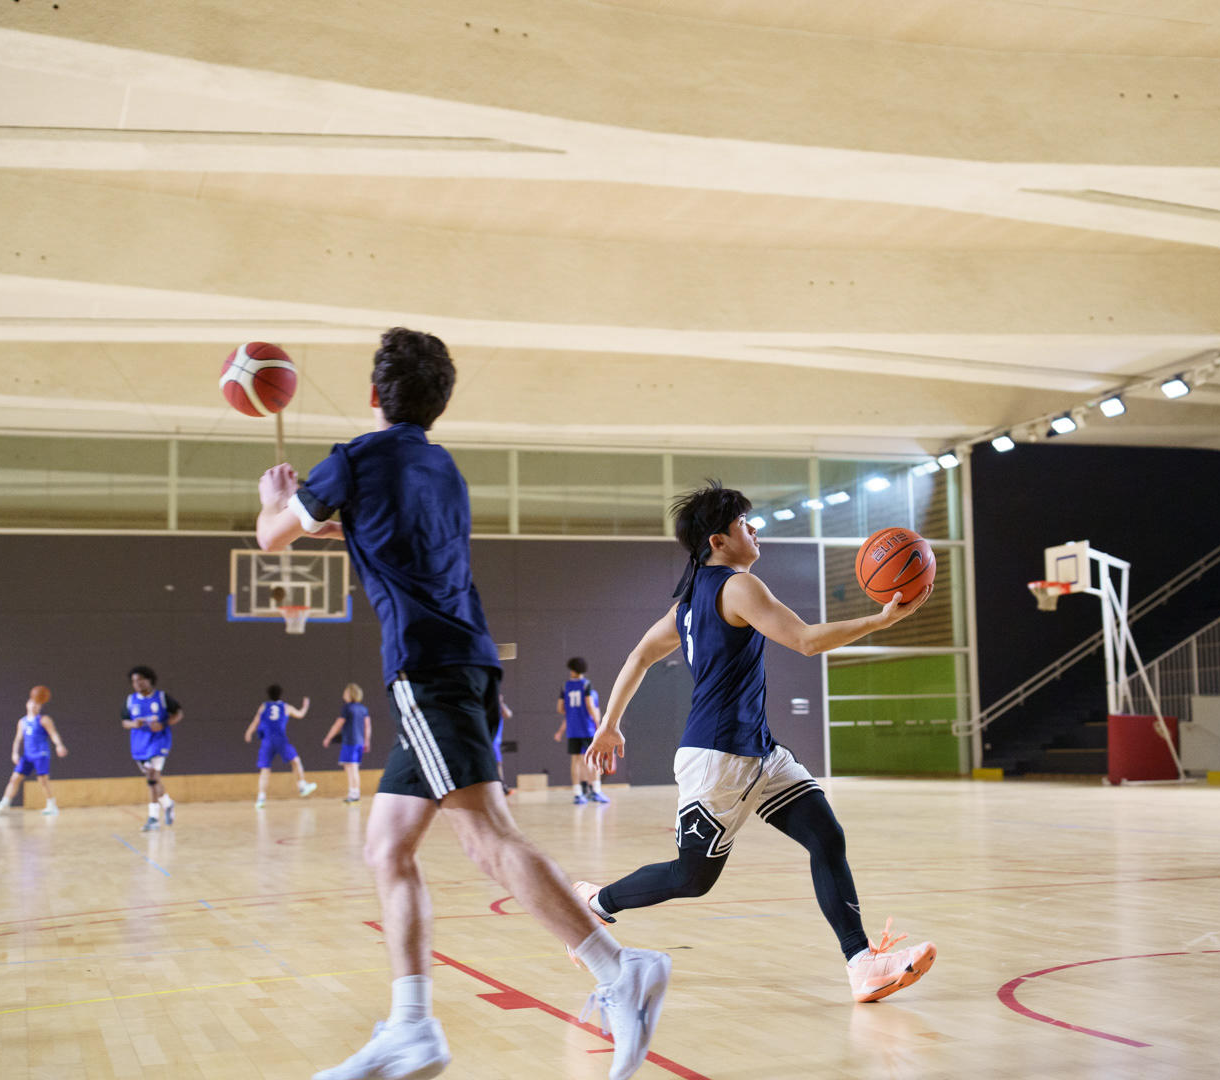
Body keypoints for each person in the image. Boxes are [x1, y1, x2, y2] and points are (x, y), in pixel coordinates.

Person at [257, 327, 669, 1080]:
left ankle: (619, 967)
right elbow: (373, 529)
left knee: (486, 837)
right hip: (465, 662)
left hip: (427, 668)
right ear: (437, 404)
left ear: (374, 394)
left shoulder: (353, 459)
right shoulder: (443, 469)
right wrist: (321, 512)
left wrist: (276, 499)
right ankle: (411, 1027)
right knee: (387, 847)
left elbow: (272, 538)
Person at [578, 482, 939, 1004]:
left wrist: (610, 722)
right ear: (718, 541)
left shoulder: (688, 605)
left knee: (826, 836)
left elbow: (639, 656)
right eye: (745, 523)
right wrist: (882, 620)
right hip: (719, 756)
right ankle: (593, 903)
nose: (754, 530)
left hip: (760, 752)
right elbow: (806, 641)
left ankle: (862, 963)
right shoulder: (738, 587)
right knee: (692, 878)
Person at [0, 686, 67, 816]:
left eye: (37, 703)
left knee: (42, 780)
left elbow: (53, 734)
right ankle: (5, 804)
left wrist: (59, 745)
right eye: (32, 702)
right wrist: (15, 753)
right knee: (14, 778)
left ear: (40, 706)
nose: (34, 705)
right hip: (27, 755)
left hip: (41, 754)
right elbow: (18, 739)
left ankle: (52, 805)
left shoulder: (43, 719)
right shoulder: (22, 722)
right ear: (27, 704)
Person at [123, 666, 181, 832]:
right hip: (140, 743)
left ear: (149, 680)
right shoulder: (130, 700)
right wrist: (134, 724)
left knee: (151, 776)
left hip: (159, 741)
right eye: (134, 681)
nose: (137, 683)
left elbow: (178, 713)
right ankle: (167, 803)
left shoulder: (161, 697)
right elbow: (125, 721)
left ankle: (153, 818)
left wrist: (163, 724)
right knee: (153, 779)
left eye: (141, 679)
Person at [246, 685, 317, 807]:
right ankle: (302, 786)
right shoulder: (285, 707)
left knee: (265, 770)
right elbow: (300, 714)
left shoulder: (264, 706)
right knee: (295, 761)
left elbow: (256, 721)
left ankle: (261, 798)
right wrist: (305, 706)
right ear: (280, 694)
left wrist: (249, 732)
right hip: (280, 740)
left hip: (267, 741)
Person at [554, 658, 607, 804]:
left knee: (576, 760)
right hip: (587, 728)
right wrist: (597, 722)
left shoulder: (565, 686)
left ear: (572, 669)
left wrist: (572, 712)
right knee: (595, 758)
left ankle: (578, 793)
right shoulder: (586, 684)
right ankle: (595, 790)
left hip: (573, 729)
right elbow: (590, 705)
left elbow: (560, 708)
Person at [324, 683, 373, 803]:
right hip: (359, 742)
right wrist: (367, 741)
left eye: (345, 692)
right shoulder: (363, 709)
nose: (343, 695)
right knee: (350, 767)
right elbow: (367, 726)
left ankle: (355, 794)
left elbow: (338, 724)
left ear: (350, 694)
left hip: (350, 742)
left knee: (352, 768)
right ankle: (353, 792)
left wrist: (329, 737)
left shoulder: (347, 708)